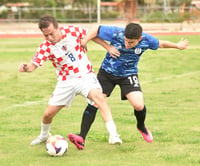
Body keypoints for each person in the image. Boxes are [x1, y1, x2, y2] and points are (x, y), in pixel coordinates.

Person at [68, 23, 188, 149]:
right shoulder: (116, 32)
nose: (127, 44)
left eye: (131, 42)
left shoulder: (147, 40)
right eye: (125, 41)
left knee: (138, 105)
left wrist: (177, 46)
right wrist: (97, 44)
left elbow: (161, 44)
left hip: (128, 74)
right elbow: (96, 29)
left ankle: (141, 127)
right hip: (107, 73)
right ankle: (81, 137)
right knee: (95, 102)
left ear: (139, 39)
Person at [18, 15, 122, 149]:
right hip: (65, 82)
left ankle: (113, 135)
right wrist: (26, 67)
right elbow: (33, 66)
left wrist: (107, 47)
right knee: (47, 115)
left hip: (85, 75)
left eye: (51, 34)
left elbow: (92, 35)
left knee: (99, 99)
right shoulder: (46, 47)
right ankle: (44, 135)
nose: (49, 38)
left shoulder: (72, 31)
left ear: (57, 27)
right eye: (46, 35)